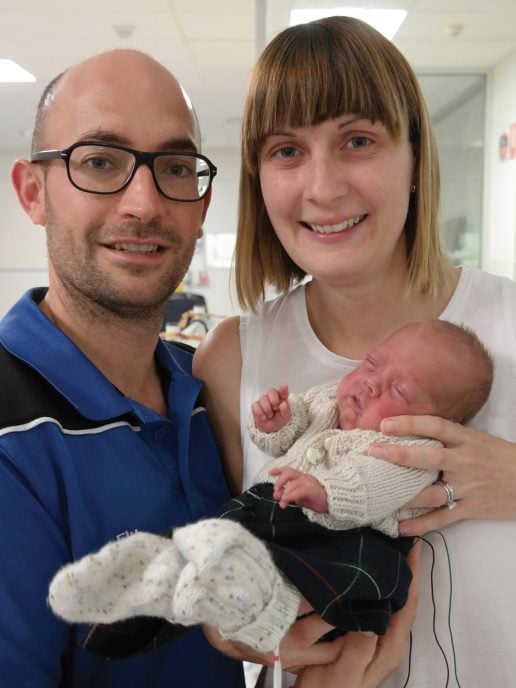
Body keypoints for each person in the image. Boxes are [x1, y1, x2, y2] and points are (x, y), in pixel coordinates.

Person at [191, 15, 516, 688]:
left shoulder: (508, 322)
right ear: (258, 177)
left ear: (417, 158)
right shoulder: (228, 360)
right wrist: (227, 627)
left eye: (358, 140)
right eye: (286, 151)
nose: (323, 187)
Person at [0, 49, 246, 687]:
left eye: (174, 167)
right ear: (34, 192)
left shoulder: (209, 392)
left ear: (202, 201)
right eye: (101, 162)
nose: (144, 202)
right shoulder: (12, 437)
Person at [46, 319, 492, 656]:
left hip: (345, 538)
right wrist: (277, 423)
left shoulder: (411, 449)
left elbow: (375, 486)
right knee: (214, 538)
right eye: (373, 362)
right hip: (282, 506)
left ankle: (172, 598)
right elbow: (293, 429)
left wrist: (325, 490)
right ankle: (136, 591)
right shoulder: (334, 397)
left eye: (399, 388)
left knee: (259, 565)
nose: (371, 381)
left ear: (433, 420)